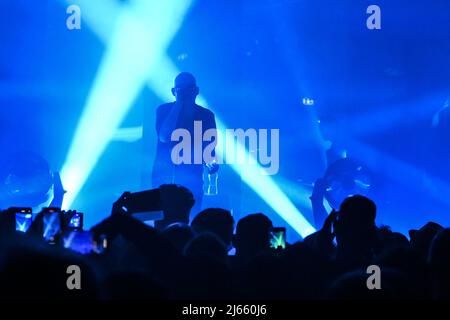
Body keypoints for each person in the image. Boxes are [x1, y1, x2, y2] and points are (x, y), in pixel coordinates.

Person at [146, 72, 217, 216]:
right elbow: (164, 136)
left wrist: (211, 163)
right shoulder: (164, 110)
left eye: (188, 89)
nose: (185, 93)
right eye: (180, 89)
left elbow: (209, 150)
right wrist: (178, 104)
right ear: (173, 91)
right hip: (164, 178)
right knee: (163, 222)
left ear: (196, 91)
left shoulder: (206, 116)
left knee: (191, 218)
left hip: (193, 180)